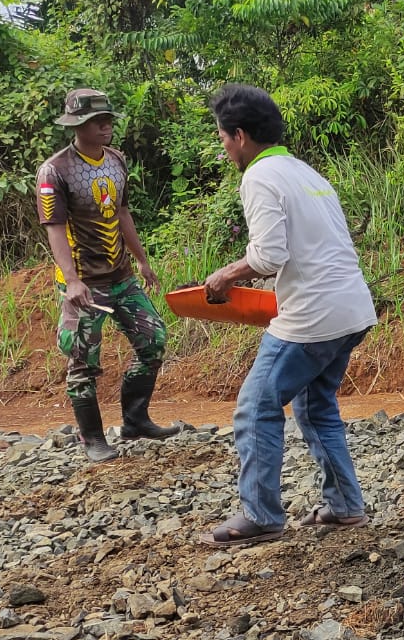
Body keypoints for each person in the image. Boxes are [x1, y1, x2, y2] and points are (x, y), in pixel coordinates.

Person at [202, 85, 377, 546]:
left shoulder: (259, 177)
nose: (223, 149)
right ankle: (345, 506)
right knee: (315, 406)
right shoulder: (304, 172)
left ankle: (261, 514)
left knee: (256, 406)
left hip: (312, 318)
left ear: (239, 135)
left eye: (222, 138)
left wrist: (225, 277)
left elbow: (269, 254)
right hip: (352, 308)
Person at [36, 88, 178, 462]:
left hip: (121, 274)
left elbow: (123, 212)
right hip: (84, 280)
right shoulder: (56, 170)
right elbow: (54, 227)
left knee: (153, 340)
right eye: (97, 121)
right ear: (77, 125)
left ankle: (136, 419)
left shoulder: (116, 160)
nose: (106, 126)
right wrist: (72, 280)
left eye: (109, 120)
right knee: (82, 358)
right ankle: (93, 438)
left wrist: (142, 260)